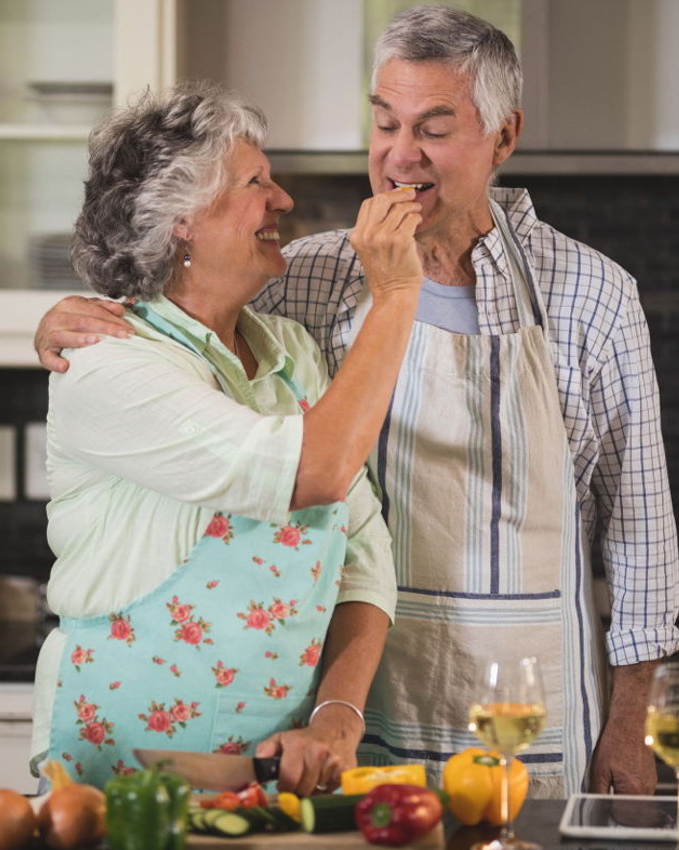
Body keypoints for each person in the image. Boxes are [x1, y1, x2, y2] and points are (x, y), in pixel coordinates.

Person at [34, 5, 679, 797]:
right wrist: (63, 315)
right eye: (385, 122)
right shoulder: (304, 278)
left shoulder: (594, 297)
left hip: (527, 707)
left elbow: (641, 534)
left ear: (503, 138)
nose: (399, 155)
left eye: (434, 129)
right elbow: (179, 323)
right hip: (351, 719)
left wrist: (630, 723)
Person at [31, 79, 425, 793]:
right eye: (256, 182)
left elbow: (362, 549)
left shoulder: (292, 352)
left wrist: (338, 717)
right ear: (182, 218)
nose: (284, 201)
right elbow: (317, 473)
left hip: (279, 774)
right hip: (122, 773)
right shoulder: (107, 365)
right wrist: (395, 295)